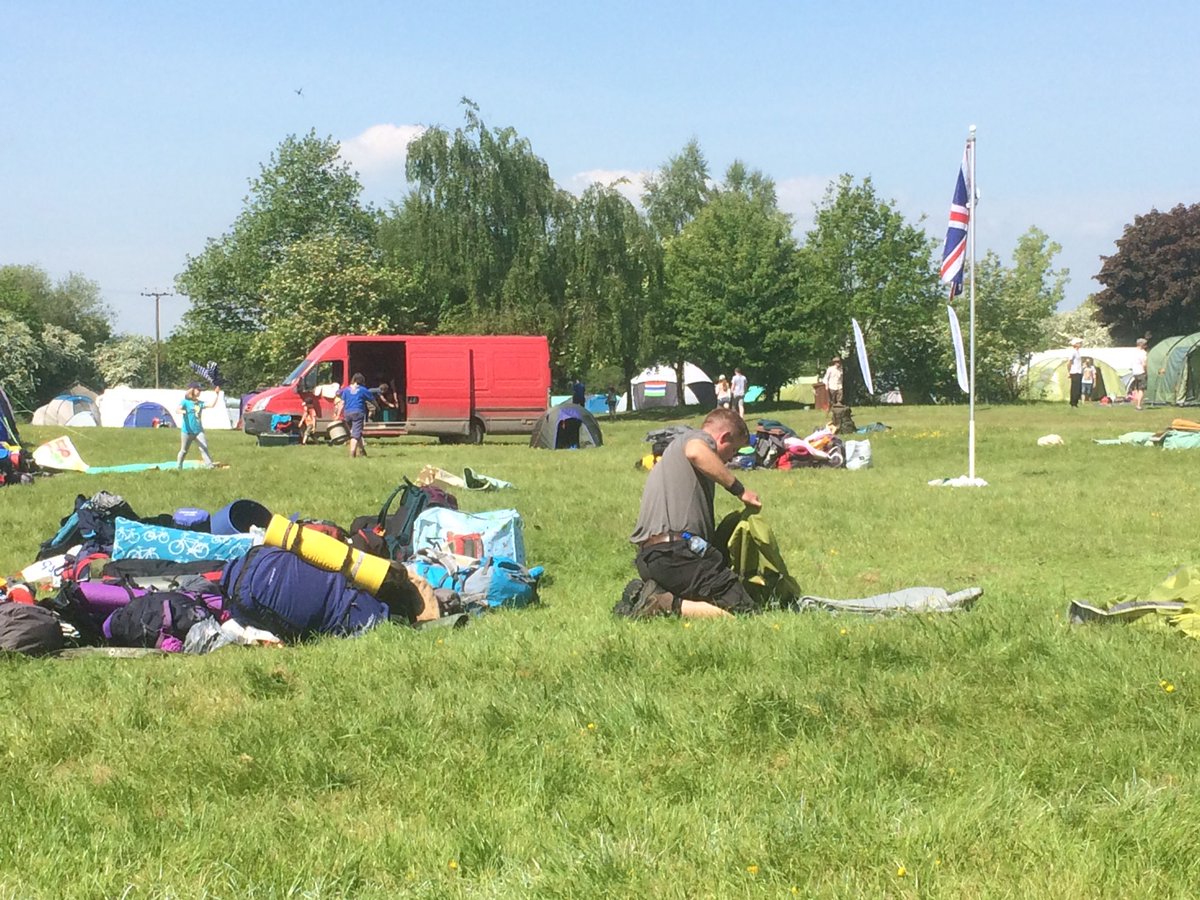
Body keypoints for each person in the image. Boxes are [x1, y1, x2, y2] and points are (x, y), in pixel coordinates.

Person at [621, 407, 763, 619]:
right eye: (733, 450)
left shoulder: (674, 454)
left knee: (721, 599)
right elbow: (696, 451)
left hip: (652, 559)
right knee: (745, 611)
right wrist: (740, 490)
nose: (730, 459)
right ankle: (663, 603)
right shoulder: (697, 439)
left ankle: (660, 597)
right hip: (676, 554)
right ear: (723, 437)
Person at [176, 382, 221, 469]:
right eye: (198, 390)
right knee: (184, 450)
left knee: (204, 448)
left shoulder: (200, 403)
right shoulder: (185, 402)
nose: (200, 392)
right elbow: (177, 410)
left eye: (200, 391)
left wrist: (217, 394)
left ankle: (209, 466)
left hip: (198, 431)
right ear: (192, 390)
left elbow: (212, 405)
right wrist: (184, 412)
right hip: (187, 431)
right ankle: (179, 466)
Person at [333, 373, 371, 458]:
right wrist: (377, 407)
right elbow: (371, 399)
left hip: (347, 414)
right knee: (355, 434)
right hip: (358, 413)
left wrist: (338, 415)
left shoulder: (346, 390)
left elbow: (342, 403)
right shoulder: (363, 390)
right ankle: (352, 453)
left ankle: (362, 451)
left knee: (356, 433)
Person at [1132, 337, 1149, 409]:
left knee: (1137, 388)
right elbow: (1144, 364)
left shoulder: (1133, 352)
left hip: (1134, 372)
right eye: (1145, 344)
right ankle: (1138, 405)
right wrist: (1146, 371)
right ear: (1142, 345)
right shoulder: (1143, 353)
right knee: (1141, 389)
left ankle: (1136, 403)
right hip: (1141, 372)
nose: (1146, 346)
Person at [1068, 338, 1084, 408]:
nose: (1080, 344)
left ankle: (1075, 402)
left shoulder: (1078, 352)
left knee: (1078, 388)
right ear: (1075, 344)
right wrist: (1069, 372)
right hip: (1074, 372)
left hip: (1079, 371)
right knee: (1075, 388)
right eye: (1079, 343)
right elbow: (1069, 362)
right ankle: (1073, 403)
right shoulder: (1073, 352)